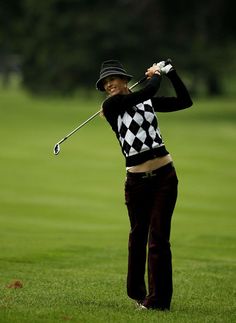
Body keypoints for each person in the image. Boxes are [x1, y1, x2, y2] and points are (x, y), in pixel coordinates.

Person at [96, 59, 193, 310]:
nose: (109, 85)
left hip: (165, 178)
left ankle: (158, 301)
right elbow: (149, 89)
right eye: (105, 82)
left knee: (159, 238)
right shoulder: (112, 105)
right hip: (137, 182)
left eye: (113, 79)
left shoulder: (145, 101)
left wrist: (171, 74)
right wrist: (156, 74)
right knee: (138, 236)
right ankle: (137, 292)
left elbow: (185, 101)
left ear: (124, 79)